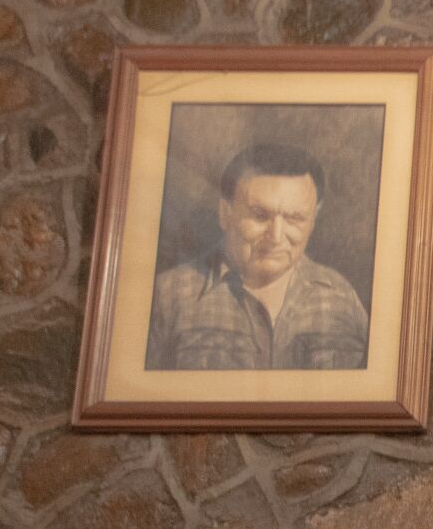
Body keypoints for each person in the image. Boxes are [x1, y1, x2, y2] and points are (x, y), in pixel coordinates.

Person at [144, 141, 370, 370]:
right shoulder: (167, 297)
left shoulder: (342, 298)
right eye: (260, 215)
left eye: (295, 218)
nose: (276, 236)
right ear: (225, 214)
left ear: (312, 222)